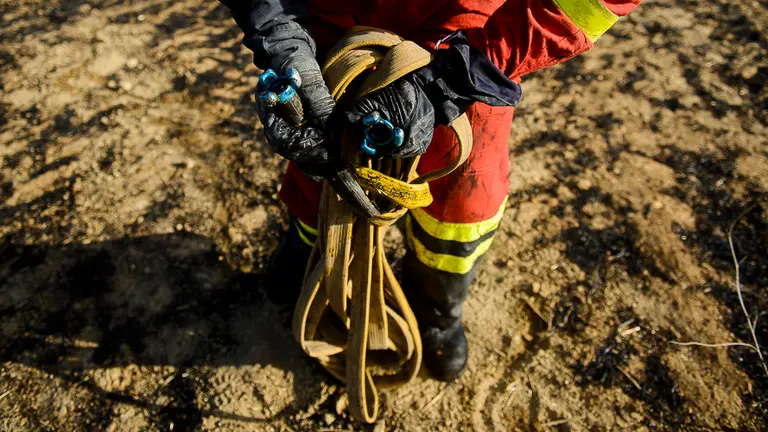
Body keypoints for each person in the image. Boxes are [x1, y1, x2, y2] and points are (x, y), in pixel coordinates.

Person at [220, 0, 642, 381]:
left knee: (462, 204)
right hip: (327, 29)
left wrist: (461, 74)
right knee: (324, 172)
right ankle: (314, 263)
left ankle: (437, 307)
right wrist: (280, 31)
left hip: (469, 40)